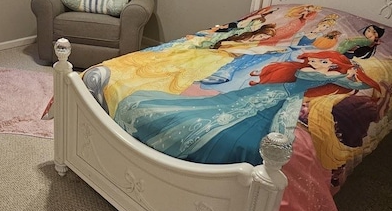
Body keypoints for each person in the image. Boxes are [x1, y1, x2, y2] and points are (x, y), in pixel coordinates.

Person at [114, 51, 377, 166]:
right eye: (319, 60)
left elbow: (352, 84)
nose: (318, 63)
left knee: (244, 125)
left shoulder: (322, 75)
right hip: (272, 95)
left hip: (278, 99)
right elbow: (335, 78)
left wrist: (352, 74)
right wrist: (346, 74)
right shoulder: (309, 71)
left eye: (324, 62)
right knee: (225, 109)